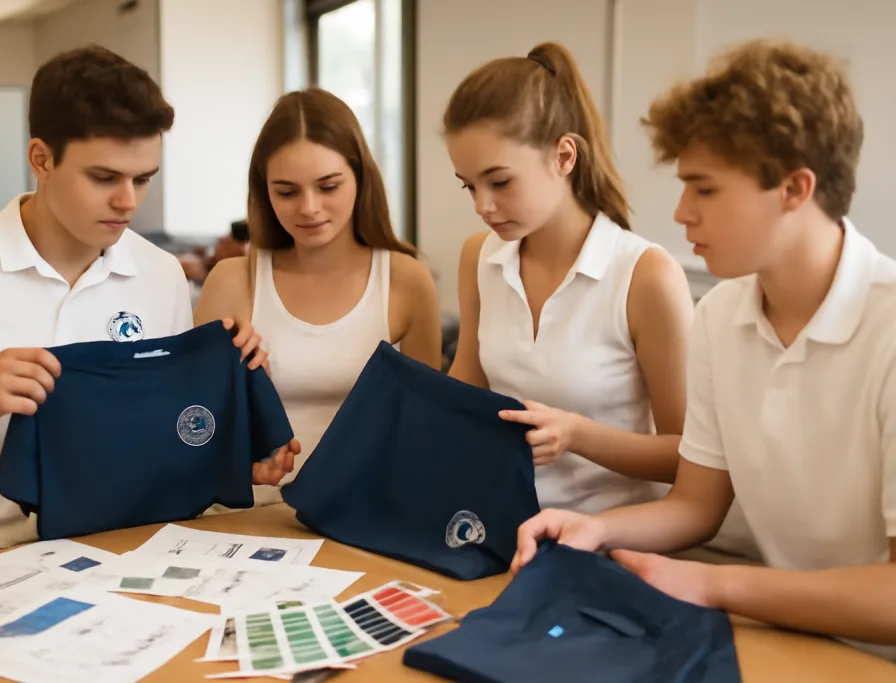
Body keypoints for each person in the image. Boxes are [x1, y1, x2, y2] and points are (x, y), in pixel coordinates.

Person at [513, 39, 896, 658]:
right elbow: (696, 503)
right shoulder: (721, 314)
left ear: (795, 188)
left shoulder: (890, 328)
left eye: (706, 189)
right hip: (783, 635)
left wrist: (716, 584)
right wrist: (594, 530)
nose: (682, 212)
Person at [0, 45, 291, 562]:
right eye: (104, 178)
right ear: (41, 159)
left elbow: (157, 443)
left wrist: (230, 449)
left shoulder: (160, 274)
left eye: (142, 179)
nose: (129, 202)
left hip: (119, 560)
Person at [443, 42, 694, 514]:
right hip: (495, 526)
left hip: (611, 544)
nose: (482, 206)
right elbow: (464, 397)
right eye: (468, 185)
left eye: (499, 182)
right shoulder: (480, 257)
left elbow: (690, 458)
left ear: (564, 156)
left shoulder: (645, 276)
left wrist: (579, 435)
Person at [194, 88, 442, 505]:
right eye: (287, 192)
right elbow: (195, 428)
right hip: (247, 517)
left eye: (328, 186)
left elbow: (425, 431)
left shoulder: (406, 280)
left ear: (360, 176)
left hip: (364, 514)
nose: (309, 208)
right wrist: (245, 412)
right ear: (264, 191)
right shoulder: (233, 280)